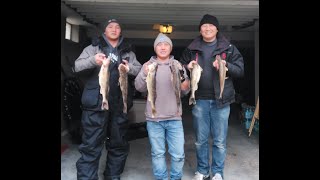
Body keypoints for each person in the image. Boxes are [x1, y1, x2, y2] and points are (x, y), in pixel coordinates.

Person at [74, 18, 142, 180]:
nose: (114, 29)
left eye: (117, 27)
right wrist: (92, 60)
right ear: (104, 31)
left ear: (120, 32)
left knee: (118, 144)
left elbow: (139, 70)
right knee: (91, 145)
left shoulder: (128, 52)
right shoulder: (92, 48)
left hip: (119, 105)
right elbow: (76, 66)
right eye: (110, 27)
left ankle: (113, 176)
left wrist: (129, 68)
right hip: (95, 104)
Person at [180, 14, 244, 180]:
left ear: (216, 28)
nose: (207, 28)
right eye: (204, 26)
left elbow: (240, 70)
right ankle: (202, 170)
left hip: (221, 101)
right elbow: (179, 69)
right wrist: (187, 66)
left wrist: (227, 65)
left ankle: (217, 172)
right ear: (200, 29)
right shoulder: (192, 48)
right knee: (200, 140)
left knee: (219, 141)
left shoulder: (228, 48)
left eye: (210, 26)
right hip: (199, 99)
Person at [135, 33, 190, 180]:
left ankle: (175, 178)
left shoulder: (178, 65)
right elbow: (139, 88)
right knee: (158, 154)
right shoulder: (147, 66)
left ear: (171, 48)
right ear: (155, 48)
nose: (163, 47)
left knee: (178, 154)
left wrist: (182, 76)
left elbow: (186, 89)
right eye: (159, 44)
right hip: (154, 119)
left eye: (166, 44)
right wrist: (144, 74)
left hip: (175, 118)